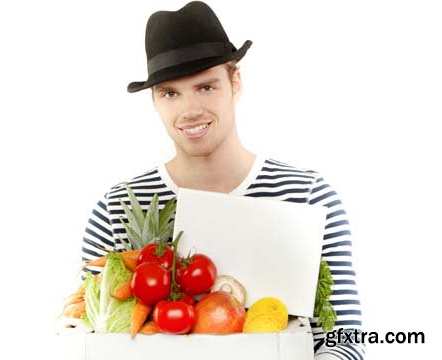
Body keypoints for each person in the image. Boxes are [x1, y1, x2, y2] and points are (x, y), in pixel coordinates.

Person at [80, 2, 364, 359]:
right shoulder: (116, 209)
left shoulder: (308, 196)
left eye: (206, 87)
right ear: (154, 101)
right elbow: (94, 339)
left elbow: (344, 341)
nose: (190, 110)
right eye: (170, 93)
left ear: (235, 83)